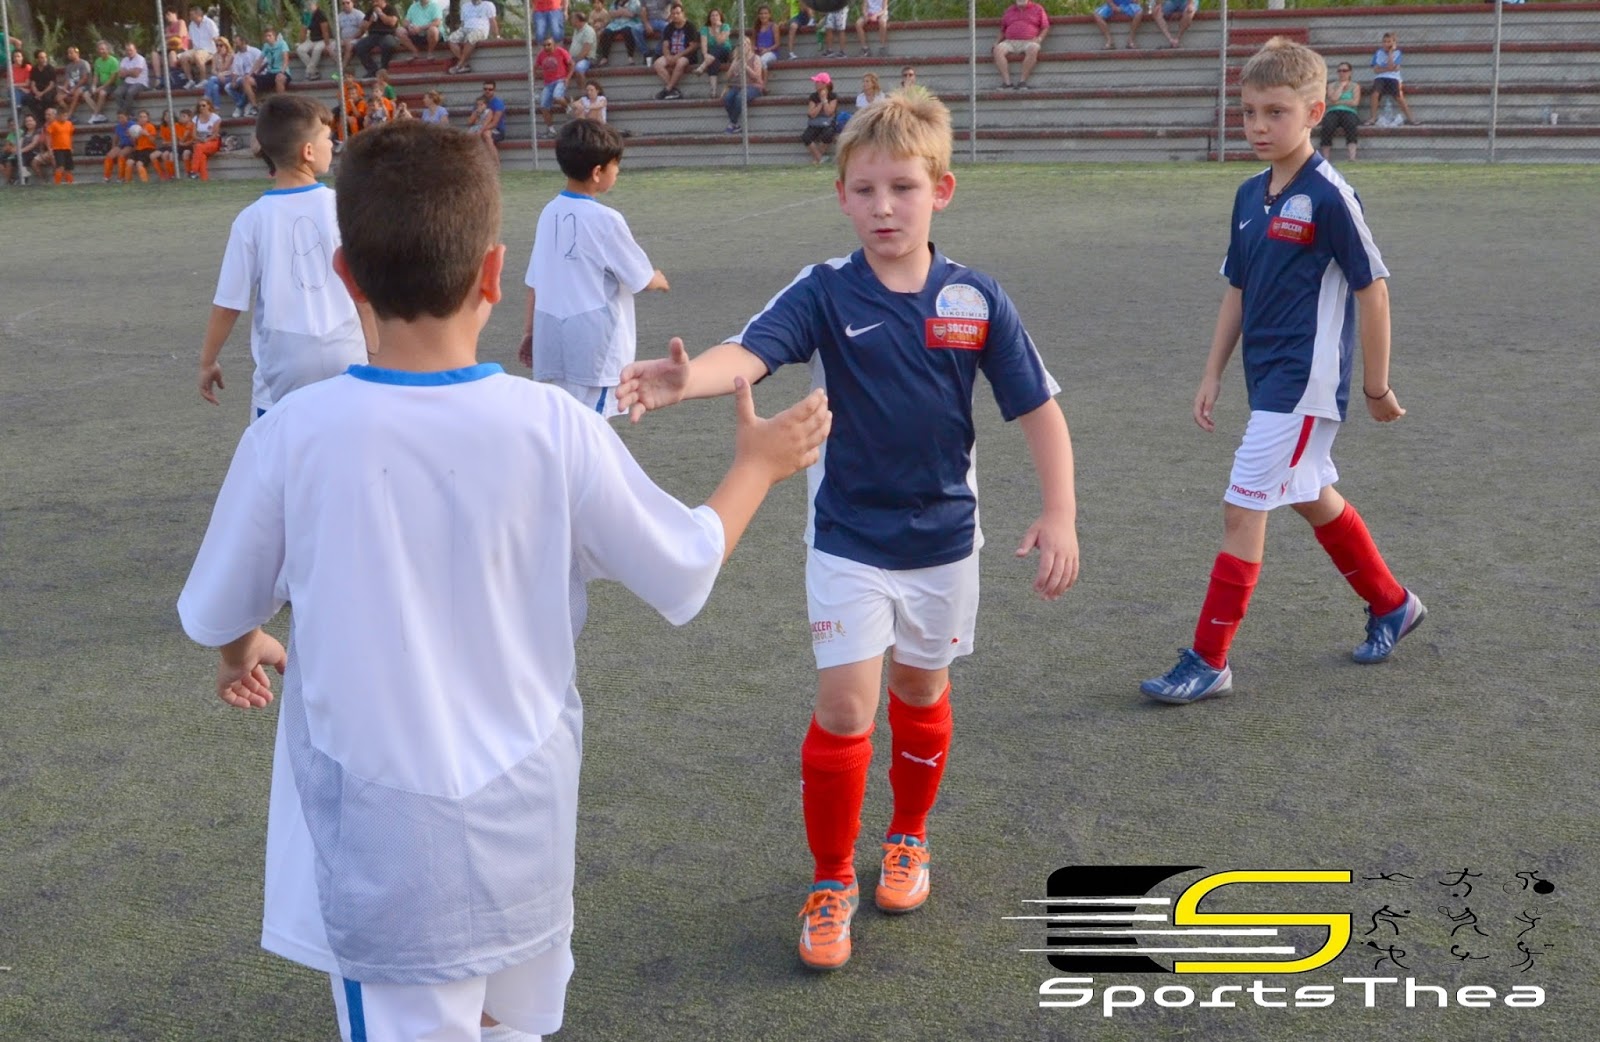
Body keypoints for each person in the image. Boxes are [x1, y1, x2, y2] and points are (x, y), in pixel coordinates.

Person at [618, 89, 1079, 973]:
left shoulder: (975, 298)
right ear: (841, 197)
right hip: (847, 542)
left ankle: (908, 836)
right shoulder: (826, 290)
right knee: (844, 707)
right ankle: (831, 878)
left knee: (920, 690)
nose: (884, 207)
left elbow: (1039, 410)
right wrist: (689, 380)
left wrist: (1059, 512)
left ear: (941, 190)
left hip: (944, 543)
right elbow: (751, 351)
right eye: (865, 190)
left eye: (903, 188)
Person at [1139, 37, 1422, 706]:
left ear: (1315, 112)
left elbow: (1373, 289)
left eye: (1276, 112)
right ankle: (1392, 603)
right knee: (1308, 493)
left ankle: (1208, 660)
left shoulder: (1330, 196)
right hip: (1266, 380)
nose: (1259, 126)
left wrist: (1376, 386)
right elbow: (1237, 289)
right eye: (1249, 112)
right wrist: (1212, 372)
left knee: (1242, 507)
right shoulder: (1248, 195)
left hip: (1304, 383)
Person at [197, 94, 371, 419]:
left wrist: (208, 361)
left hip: (283, 365)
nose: (333, 145)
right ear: (308, 151)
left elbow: (228, 304)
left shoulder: (251, 219)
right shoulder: (345, 207)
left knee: (277, 445)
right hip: (346, 354)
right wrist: (377, 353)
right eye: (328, 138)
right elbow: (367, 293)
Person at [519, 118, 669, 422]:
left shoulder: (549, 212)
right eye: (616, 165)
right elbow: (640, 277)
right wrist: (659, 279)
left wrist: (530, 331)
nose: (618, 171)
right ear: (598, 172)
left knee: (564, 424)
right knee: (592, 429)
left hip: (551, 338)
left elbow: (535, 281)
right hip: (594, 349)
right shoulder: (606, 219)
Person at [993, 0, 1048, 90]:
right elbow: (1003, 30)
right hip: (1010, 41)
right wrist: (996, 42)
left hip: (1029, 41)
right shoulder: (1009, 10)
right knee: (997, 50)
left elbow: (1045, 27)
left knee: (1033, 48)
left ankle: (1022, 82)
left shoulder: (1038, 9)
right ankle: (1007, 83)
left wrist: (1039, 39)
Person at [651, 3, 698, 101]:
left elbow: (693, 46)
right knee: (657, 64)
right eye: (673, 14)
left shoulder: (690, 26)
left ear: (683, 13)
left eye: (678, 13)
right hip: (672, 54)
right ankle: (674, 91)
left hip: (687, 56)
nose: (675, 16)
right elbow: (665, 45)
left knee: (680, 62)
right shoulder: (669, 27)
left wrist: (678, 56)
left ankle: (667, 89)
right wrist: (668, 56)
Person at [1366, 31, 1415, 126]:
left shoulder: (1397, 53)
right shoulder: (1378, 52)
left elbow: (1393, 66)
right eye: (1384, 41)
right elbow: (1376, 70)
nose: (1386, 44)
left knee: (1399, 95)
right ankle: (1373, 118)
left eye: (1389, 42)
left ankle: (1410, 118)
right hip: (1380, 77)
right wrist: (1389, 69)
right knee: (1375, 93)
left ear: (1393, 43)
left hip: (1393, 77)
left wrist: (1390, 53)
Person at [244, 27, 292, 114]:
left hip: (282, 72)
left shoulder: (282, 44)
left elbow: (286, 59)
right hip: (270, 73)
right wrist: (250, 73)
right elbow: (259, 60)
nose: (267, 38)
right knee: (246, 80)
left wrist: (282, 72)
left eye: (270, 36)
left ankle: (281, 106)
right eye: (266, 36)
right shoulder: (266, 46)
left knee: (279, 78)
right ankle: (254, 106)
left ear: (274, 36)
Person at [1320, 60, 1360, 161]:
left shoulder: (1355, 86)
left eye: (1344, 71)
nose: (1342, 73)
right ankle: (1326, 158)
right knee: (1327, 125)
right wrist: (1341, 86)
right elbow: (1333, 98)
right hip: (1333, 111)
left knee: (1351, 124)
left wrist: (1338, 102)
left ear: (1350, 72)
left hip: (1349, 111)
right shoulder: (1331, 85)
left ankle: (1352, 157)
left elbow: (1355, 102)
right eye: (1339, 71)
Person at [722, 39, 764, 133]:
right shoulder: (737, 59)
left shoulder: (756, 58)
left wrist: (746, 67)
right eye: (740, 45)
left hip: (754, 86)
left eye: (744, 45)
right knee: (727, 98)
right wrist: (733, 67)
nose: (742, 47)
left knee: (740, 97)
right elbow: (727, 77)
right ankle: (735, 125)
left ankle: (732, 123)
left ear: (749, 46)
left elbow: (757, 77)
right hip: (738, 86)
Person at [448, 0, 500, 74]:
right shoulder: (465, 6)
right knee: (452, 39)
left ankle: (459, 65)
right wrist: (460, 31)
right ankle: (464, 64)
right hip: (465, 28)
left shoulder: (488, 5)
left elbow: (492, 21)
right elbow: (463, 23)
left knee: (471, 37)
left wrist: (497, 36)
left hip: (480, 29)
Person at [534, 38, 573, 137]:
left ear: (554, 45)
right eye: (544, 45)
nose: (546, 47)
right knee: (543, 106)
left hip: (560, 80)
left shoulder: (561, 51)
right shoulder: (541, 54)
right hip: (548, 83)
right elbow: (535, 67)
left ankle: (568, 107)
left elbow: (572, 64)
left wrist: (568, 78)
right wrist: (534, 79)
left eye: (549, 45)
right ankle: (551, 130)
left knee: (557, 96)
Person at [354, 0, 402, 74]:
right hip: (373, 35)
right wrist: (370, 20)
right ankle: (372, 70)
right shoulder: (371, 11)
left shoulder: (391, 9)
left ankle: (384, 69)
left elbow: (392, 22)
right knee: (360, 46)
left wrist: (380, 13)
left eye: (376, 1)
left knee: (388, 44)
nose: (375, 4)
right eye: (373, 2)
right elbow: (363, 27)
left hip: (387, 33)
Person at [801, 71, 838, 164]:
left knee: (828, 134)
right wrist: (821, 103)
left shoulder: (833, 96)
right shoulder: (813, 96)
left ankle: (816, 160)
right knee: (806, 137)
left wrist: (825, 100)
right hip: (815, 122)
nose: (815, 83)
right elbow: (811, 114)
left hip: (828, 122)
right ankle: (820, 159)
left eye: (818, 82)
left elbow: (829, 112)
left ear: (825, 84)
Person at [181, 4, 222, 85]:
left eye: (191, 14)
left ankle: (203, 80)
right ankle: (190, 80)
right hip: (196, 49)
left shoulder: (209, 23)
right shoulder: (191, 25)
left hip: (209, 50)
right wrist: (188, 51)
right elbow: (190, 40)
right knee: (183, 56)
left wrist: (219, 53)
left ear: (198, 14)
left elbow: (216, 38)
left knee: (198, 55)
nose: (190, 16)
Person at [695, 8, 732, 95]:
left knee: (718, 48)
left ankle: (702, 67)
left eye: (717, 15)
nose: (714, 17)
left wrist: (716, 29)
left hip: (724, 51)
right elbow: (704, 44)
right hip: (711, 55)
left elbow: (720, 42)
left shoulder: (725, 26)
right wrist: (705, 55)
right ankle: (713, 91)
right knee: (713, 62)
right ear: (709, 18)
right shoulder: (705, 29)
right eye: (712, 15)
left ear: (720, 17)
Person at [597, 0, 645, 65]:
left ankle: (630, 57)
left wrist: (620, 12)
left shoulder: (634, 1)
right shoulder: (615, 2)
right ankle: (605, 57)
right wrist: (623, 12)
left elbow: (632, 14)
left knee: (627, 31)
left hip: (630, 22)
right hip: (616, 24)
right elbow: (611, 14)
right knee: (606, 32)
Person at [85, 41, 121, 123]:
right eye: (100, 49)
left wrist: (101, 88)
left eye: (103, 49)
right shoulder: (97, 61)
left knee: (102, 93)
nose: (101, 51)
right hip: (101, 84)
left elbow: (112, 79)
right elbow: (96, 75)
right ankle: (99, 114)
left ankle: (95, 115)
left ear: (108, 50)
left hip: (112, 85)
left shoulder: (114, 61)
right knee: (86, 94)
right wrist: (94, 86)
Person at [297, 0, 335, 78]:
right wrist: (301, 42)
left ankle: (309, 71)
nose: (308, 6)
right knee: (300, 49)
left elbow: (325, 32)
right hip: (313, 39)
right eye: (307, 5)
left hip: (323, 39)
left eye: (310, 4)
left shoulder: (320, 14)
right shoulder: (307, 15)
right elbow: (303, 31)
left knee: (317, 49)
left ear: (315, 5)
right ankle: (314, 72)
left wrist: (328, 45)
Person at [469, 79, 507, 155]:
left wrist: (480, 130)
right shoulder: (479, 102)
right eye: (485, 89)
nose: (487, 91)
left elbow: (494, 123)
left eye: (490, 89)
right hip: (480, 127)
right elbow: (470, 122)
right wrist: (477, 112)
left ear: (494, 90)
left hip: (497, 130)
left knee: (486, 135)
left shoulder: (498, 103)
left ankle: (495, 161)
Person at [190, 97, 223, 178]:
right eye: (199, 106)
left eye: (203, 105)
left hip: (212, 141)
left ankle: (194, 170)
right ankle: (204, 178)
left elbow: (215, 134)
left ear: (209, 106)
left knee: (198, 147)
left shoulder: (215, 118)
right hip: (200, 141)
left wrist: (206, 140)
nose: (201, 107)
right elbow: (193, 135)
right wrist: (200, 139)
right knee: (202, 156)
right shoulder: (196, 118)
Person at [115, 41, 150, 115]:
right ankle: (128, 113)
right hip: (127, 83)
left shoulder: (140, 59)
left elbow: (136, 74)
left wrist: (126, 72)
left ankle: (123, 113)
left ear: (135, 50)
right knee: (117, 93)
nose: (129, 52)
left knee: (130, 92)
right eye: (127, 50)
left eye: (131, 50)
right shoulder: (124, 60)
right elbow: (120, 75)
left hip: (140, 83)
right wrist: (131, 71)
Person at [567, 10, 597, 86]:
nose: (570, 21)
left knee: (579, 68)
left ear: (577, 20)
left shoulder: (588, 31)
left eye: (572, 19)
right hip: (575, 58)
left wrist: (574, 60)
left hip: (587, 59)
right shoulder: (576, 30)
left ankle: (583, 91)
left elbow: (586, 50)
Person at [43, 105, 73, 184]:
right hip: (58, 148)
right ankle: (57, 183)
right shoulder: (54, 125)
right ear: (58, 116)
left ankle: (69, 182)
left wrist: (71, 146)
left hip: (67, 148)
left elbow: (70, 135)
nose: (65, 117)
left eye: (66, 115)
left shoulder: (69, 124)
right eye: (63, 115)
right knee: (60, 166)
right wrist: (49, 148)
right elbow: (48, 136)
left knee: (68, 167)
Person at [337, 0, 367, 66]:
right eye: (343, 3)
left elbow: (362, 30)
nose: (345, 5)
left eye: (348, 3)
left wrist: (351, 38)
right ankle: (342, 66)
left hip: (357, 39)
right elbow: (338, 31)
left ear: (352, 3)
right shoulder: (339, 16)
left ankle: (341, 69)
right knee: (331, 47)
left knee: (348, 45)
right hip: (344, 39)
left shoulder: (359, 14)